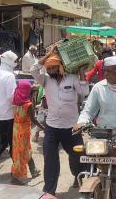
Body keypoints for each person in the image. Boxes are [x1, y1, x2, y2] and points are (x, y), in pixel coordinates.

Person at [30, 50, 89, 195]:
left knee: (77, 158)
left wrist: (81, 72)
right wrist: (47, 55)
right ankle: (49, 191)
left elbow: (84, 91)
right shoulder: (45, 80)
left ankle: (78, 176)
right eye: (48, 68)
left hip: (72, 128)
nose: (50, 71)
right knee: (50, 160)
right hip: (52, 127)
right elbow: (33, 70)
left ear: (60, 66)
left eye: (53, 67)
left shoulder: (72, 78)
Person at [11, 80, 43, 185]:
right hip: (24, 131)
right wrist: (43, 127)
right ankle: (19, 176)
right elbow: (34, 120)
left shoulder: (14, 100)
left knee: (19, 152)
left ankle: (32, 171)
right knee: (23, 152)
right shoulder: (28, 105)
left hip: (16, 129)